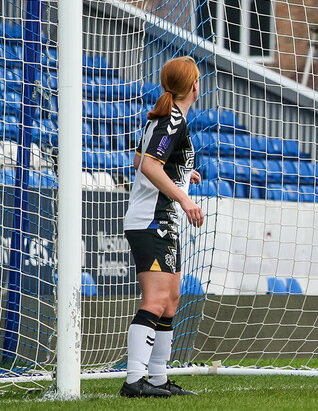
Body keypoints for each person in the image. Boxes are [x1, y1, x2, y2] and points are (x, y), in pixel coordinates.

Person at [120, 56, 203, 398]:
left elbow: (140, 159)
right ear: (194, 86)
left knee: (170, 301)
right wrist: (184, 197)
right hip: (150, 219)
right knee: (155, 300)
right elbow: (150, 166)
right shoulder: (172, 120)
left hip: (161, 220)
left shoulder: (170, 117)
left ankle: (157, 379)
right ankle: (133, 380)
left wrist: (183, 175)